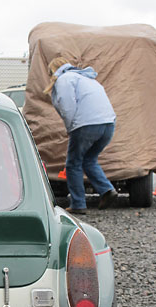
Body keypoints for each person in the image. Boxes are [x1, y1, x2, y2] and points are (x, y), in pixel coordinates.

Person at [44, 57, 118, 214]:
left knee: (73, 164)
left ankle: (78, 204)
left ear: (52, 70)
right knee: (89, 160)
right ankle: (107, 190)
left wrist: (71, 127)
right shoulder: (88, 78)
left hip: (86, 125)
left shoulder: (65, 79)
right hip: (108, 124)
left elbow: (67, 105)